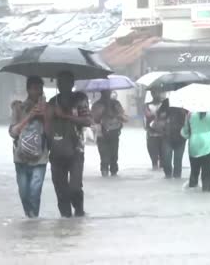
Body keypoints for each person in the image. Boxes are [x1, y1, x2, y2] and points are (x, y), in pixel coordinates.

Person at [46, 71, 92, 218]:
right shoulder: (52, 102)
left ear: (72, 84)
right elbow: (47, 128)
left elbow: (87, 121)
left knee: (75, 187)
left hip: (76, 150)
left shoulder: (80, 100)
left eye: (66, 82)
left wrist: (65, 116)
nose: (62, 85)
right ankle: (66, 222)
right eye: (60, 82)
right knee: (60, 189)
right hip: (56, 150)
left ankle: (79, 212)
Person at [9, 76, 49, 218]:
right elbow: (13, 133)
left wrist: (44, 116)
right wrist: (30, 116)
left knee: (35, 191)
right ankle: (29, 218)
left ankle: (34, 219)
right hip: (21, 157)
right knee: (24, 192)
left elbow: (50, 134)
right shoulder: (19, 107)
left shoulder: (47, 108)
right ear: (28, 89)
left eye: (40, 88)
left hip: (40, 158)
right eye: (34, 88)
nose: (38, 91)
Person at [91, 89, 128, 177]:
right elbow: (93, 119)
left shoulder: (116, 103)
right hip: (101, 133)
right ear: (101, 92)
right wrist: (101, 112)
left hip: (114, 132)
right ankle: (104, 173)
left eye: (108, 91)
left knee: (114, 157)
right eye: (105, 92)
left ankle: (113, 173)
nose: (107, 94)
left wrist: (117, 114)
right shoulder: (97, 105)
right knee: (104, 158)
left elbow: (125, 118)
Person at [181, 111, 210, 192]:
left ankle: (192, 197)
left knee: (194, 173)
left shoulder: (190, 114)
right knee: (207, 175)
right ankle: (206, 195)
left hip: (194, 146)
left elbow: (185, 132)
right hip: (209, 145)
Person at [154, 99, 187, 178]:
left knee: (178, 161)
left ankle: (176, 178)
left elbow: (189, 118)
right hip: (167, 136)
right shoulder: (167, 102)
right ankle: (168, 176)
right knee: (167, 160)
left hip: (181, 137)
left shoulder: (185, 103)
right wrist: (164, 116)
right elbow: (158, 114)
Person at [144, 88, 165, 170]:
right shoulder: (147, 105)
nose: (157, 94)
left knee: (164, 157)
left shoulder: (165, 104)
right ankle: (155, 168)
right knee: (153, 157)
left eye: (158, 92)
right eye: (155, 93)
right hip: (151, 134)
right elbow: (146, 118)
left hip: (163, 134)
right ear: (152, 94)